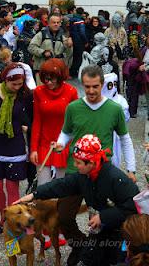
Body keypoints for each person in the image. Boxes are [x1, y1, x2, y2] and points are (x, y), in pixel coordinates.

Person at [53, 65, 136, 265]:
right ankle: (80, 245)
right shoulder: (73, 108)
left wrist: (131, 169)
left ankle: (94, 254)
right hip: (76, 170)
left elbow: (125, 139)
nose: (91, 91)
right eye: (87, 86)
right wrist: (60, 143)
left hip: (102, 174)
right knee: (63, 216)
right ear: (83, 85)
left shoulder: (114, 109)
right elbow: (66, 132)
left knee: (100, 221)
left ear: (102, 85)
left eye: (95, 86)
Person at [15, 134, 139, 266]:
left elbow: (132, 208)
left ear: (91, 162)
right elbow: (61, 185)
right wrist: (34, 195)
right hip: (100, 230)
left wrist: (103, 216)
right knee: (87, 260)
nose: (75, 165)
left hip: (122, 235)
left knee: (115, 261)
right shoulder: (84, 176)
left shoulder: (116, 179)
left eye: (78, 162)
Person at [30, 58, 78, 248]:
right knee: (43, 191)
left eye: (52, 78)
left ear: (60, 76)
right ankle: (45, 232)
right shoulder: (38, 92)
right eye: (45, 78)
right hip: (43, 145)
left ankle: (60, 228)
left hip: (64, 144)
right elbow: (37, 121)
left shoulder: (72, 91)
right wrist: (33, 148)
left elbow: (75, 122)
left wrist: (73, 147)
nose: (48, 82)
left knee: (62, 192)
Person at [0, 63, 32, 235]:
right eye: (14, 84)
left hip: (15, 146)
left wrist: (26, 126)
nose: (17, 88)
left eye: (20, 84)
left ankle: (10, 223)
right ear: (6, 79)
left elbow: (29, 117)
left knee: (13, 189)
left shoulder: (25, 94)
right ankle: (3, 215)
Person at [28, 13, 73, 83]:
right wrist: (43, 52)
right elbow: (31, 47)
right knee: (42, 93)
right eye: (54, 22)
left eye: (58, 22)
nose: (56, 24)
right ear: (48, 23)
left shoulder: (62, 37)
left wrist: (69, 46)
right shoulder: (41, 34)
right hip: (42, 71)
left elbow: (67, 55)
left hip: (57, 71)